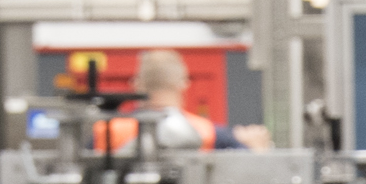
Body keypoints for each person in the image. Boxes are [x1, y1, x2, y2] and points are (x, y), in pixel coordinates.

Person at [93, 49, 270, 152]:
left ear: (137, 84)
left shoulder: (106, 131)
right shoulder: (207, 133)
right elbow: (252, 171)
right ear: (183, 83)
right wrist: (257, 147)